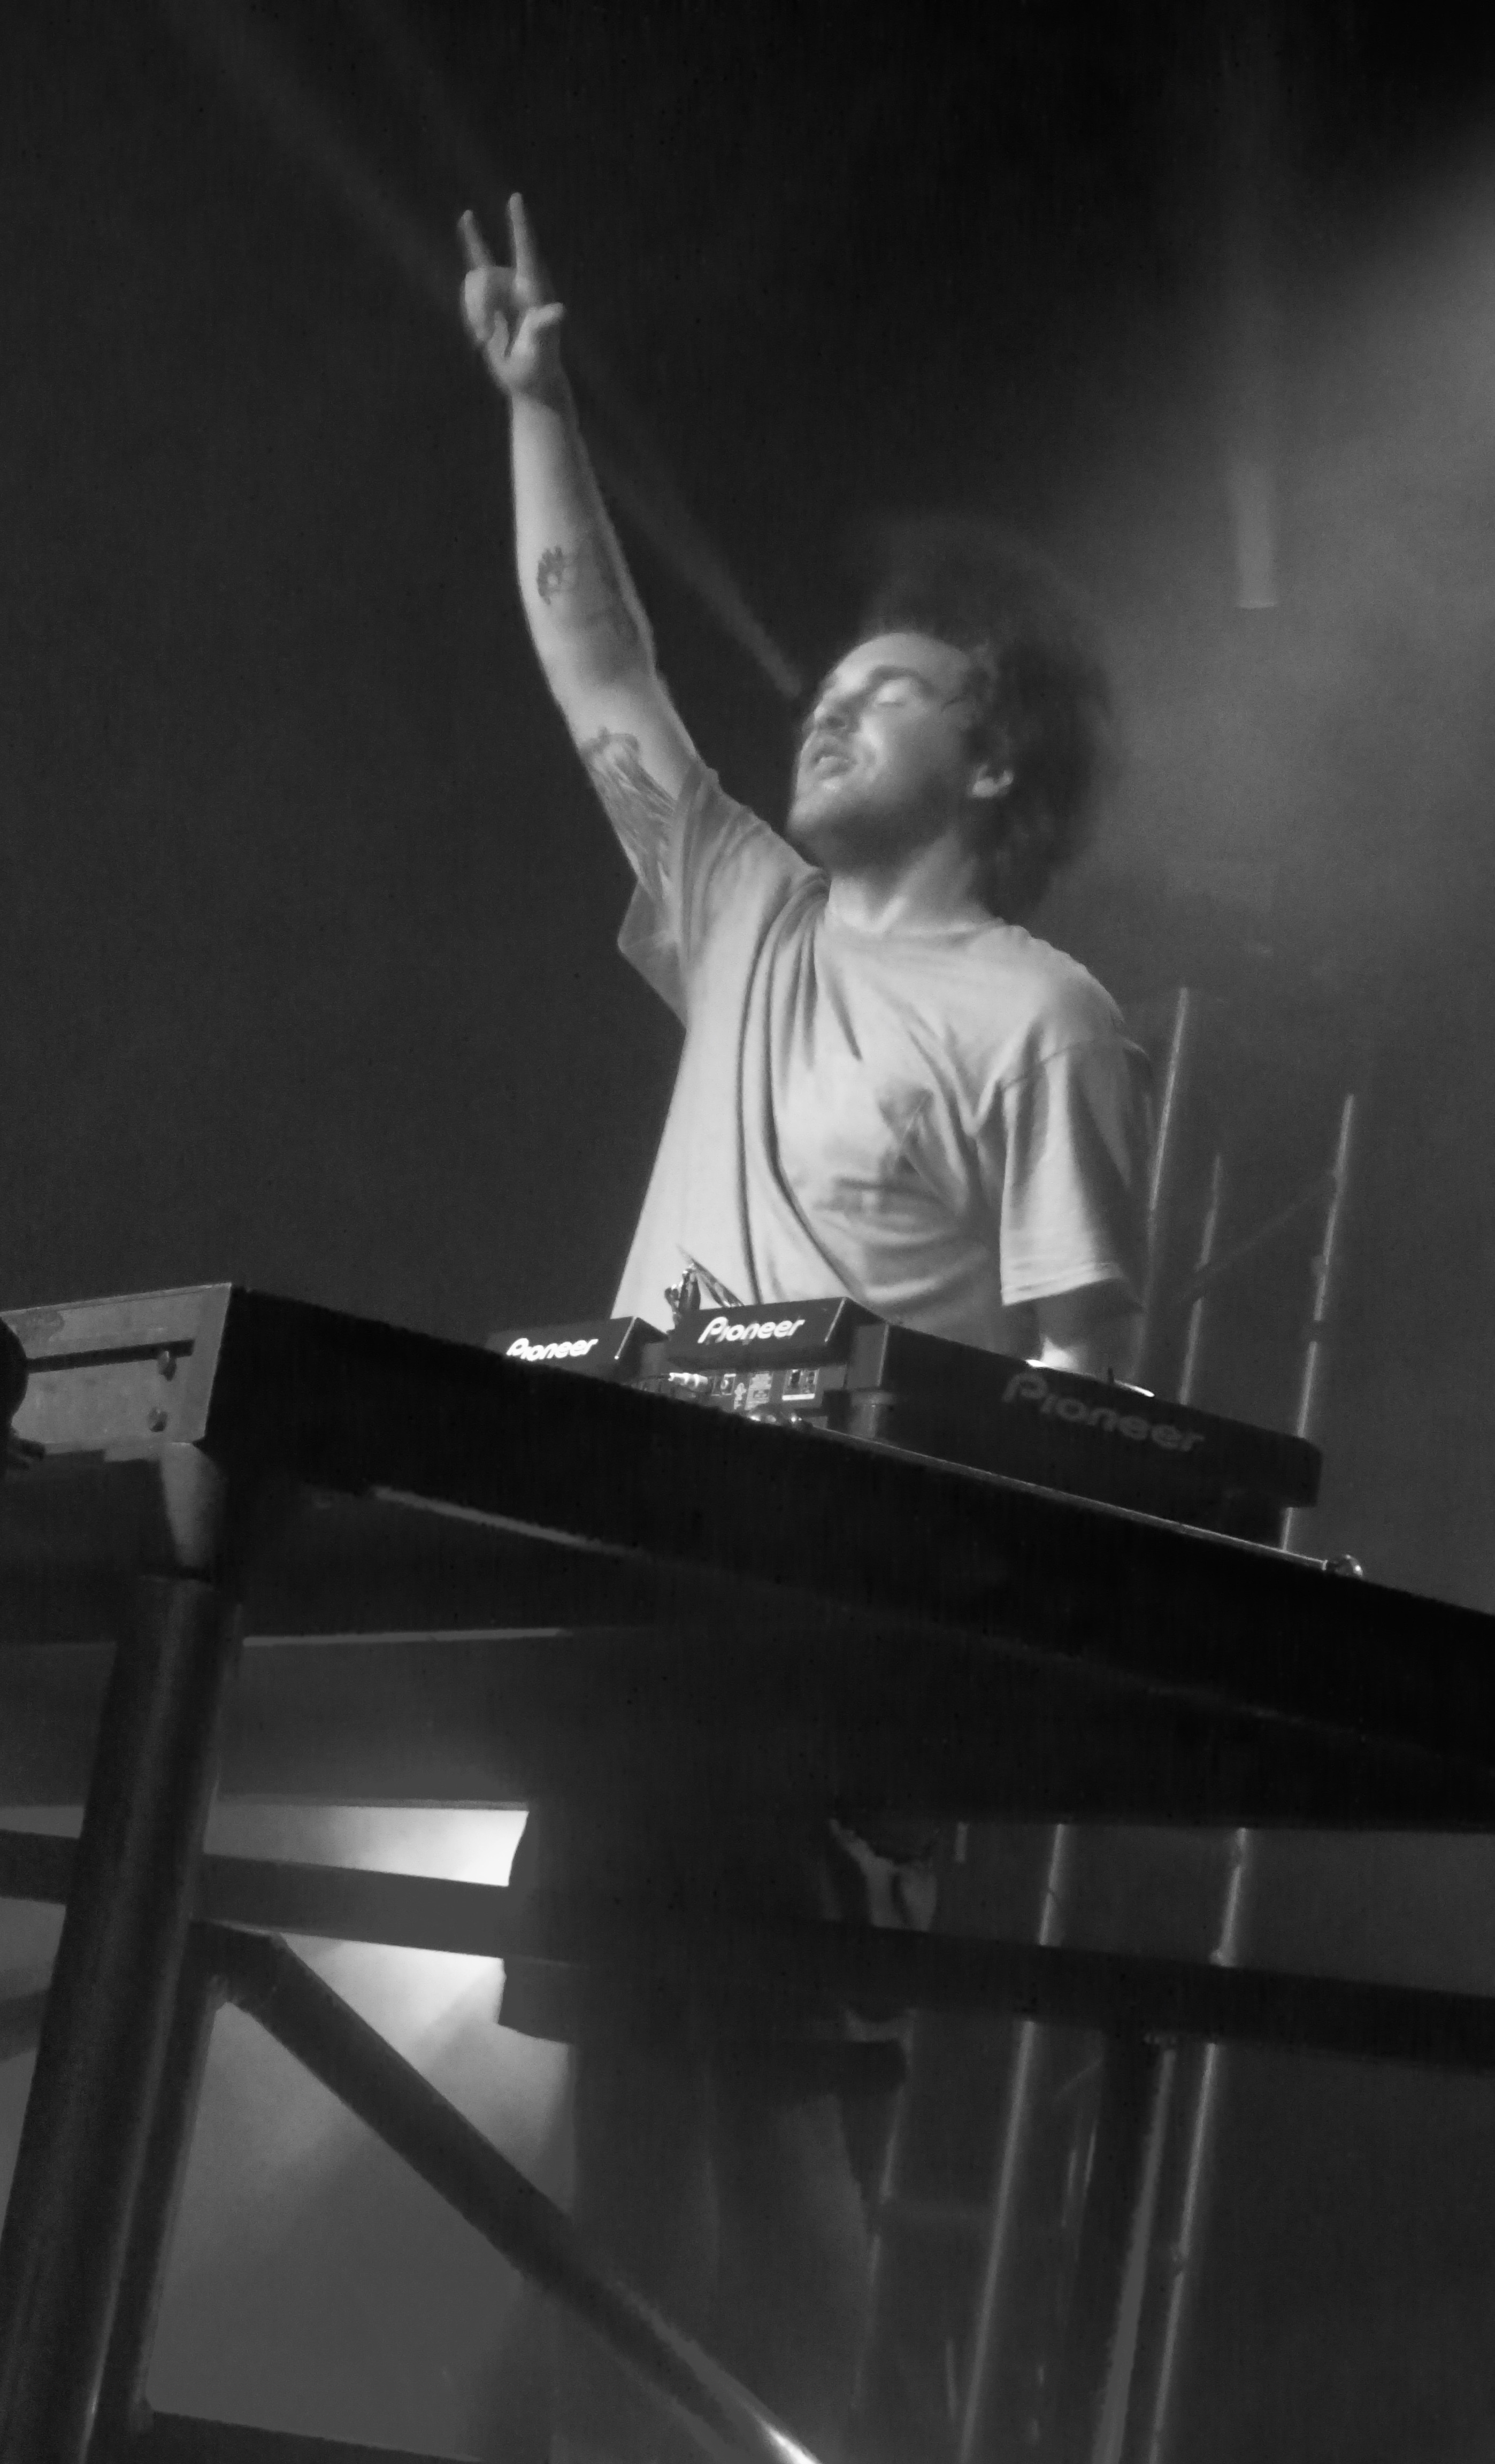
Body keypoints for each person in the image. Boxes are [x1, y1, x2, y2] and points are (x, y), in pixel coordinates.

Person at [461, 197, 1151, 2464]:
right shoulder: (745, 908)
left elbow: (1084, 1385)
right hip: (639, 1596)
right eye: (824, 686)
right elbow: (595, 658)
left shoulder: (1039, 1017)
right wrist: (538, 400)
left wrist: (967, 1658)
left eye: (894, 689)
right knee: (617, 2143)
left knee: (777, 2145)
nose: (830, 701)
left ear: (996, 763)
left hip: (826, 1646)